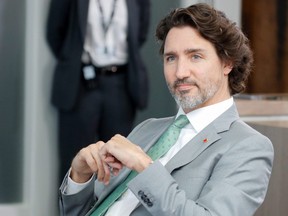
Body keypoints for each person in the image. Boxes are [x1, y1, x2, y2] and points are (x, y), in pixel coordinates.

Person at [59, 3, 274, 216]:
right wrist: (79, 178)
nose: (180, 72)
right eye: (171, 58)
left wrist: (144, 167)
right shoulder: (147, 129)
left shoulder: (249, 146)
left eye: (195, 56)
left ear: (227, 63)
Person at [46, 0, 151, 181]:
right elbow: (55, 33)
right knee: (75, 161)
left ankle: (110, 210)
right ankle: (75, 208)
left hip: (120, 83)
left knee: (118, 163)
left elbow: (139, 34)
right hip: (81, 83)